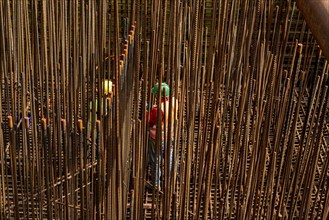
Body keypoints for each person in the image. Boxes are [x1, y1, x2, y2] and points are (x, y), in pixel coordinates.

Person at [146, 82, 176, 189]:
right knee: (169, 158)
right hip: (170, 137)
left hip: (157, 139)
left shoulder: (158, 109)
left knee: (155, 160)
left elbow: (150, 121)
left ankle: (156, 184)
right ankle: (169, 181)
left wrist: (147, 112)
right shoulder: (174, 103)